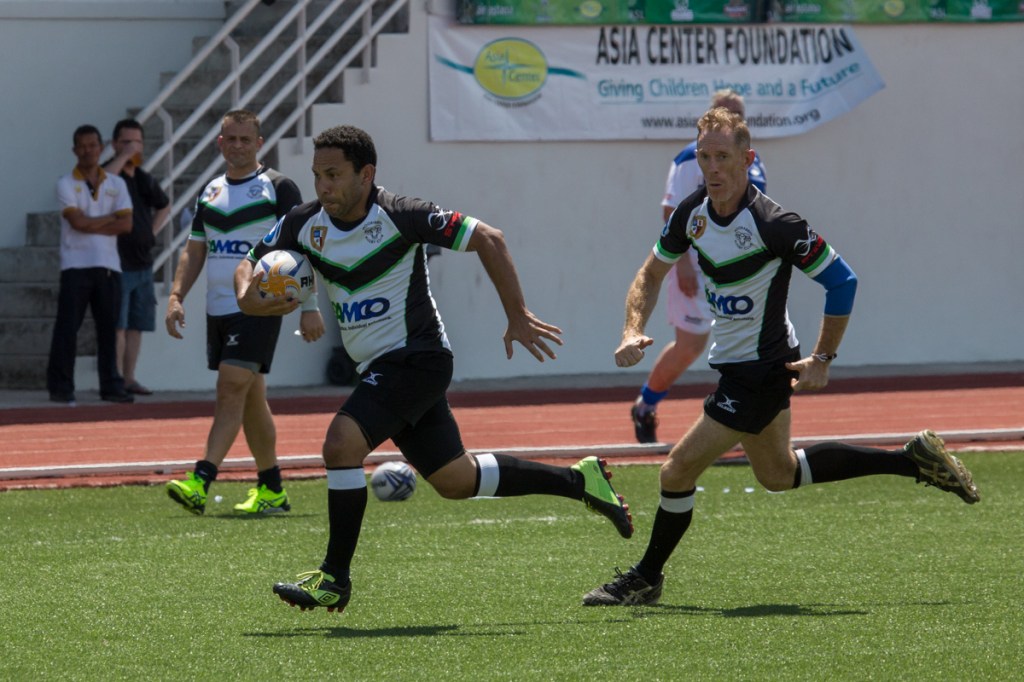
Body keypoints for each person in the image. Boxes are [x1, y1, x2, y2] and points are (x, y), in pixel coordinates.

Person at [583, 107, 979, 607]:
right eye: (704, 157)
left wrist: (823, 357)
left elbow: (843, 281)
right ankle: (912, 461)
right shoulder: (692, 214)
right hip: (739, 364)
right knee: (777, 473)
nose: (712, 168)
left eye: (722, 157)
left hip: (761, 369)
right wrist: (631, 328)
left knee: (675, 471)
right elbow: (649, 273)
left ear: (747, 159)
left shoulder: (774, 224)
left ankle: (645, 578)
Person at [235, 124, 633, 613]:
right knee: (455, 481)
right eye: (317, 175)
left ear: (366, 174)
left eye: (333, 175)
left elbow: (489, 238)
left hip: (417, 358)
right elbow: (249, 263)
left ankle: (334, 578)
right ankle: (580, 481)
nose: (323, 186)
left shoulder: (402, 214)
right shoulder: (303, 223)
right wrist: (249, 299)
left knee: (340, 444)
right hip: (380, 367)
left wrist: (516, 315)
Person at [164, 109, 322, 515]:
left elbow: (301, 248)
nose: (237, 145)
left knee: (231, 385)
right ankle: (272, 490)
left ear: (259, 143)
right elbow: (195, 249)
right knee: (250, 396)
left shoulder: (279, 187)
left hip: (259, 304)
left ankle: (200, 480)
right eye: (230, 139)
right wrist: (177, 295)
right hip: (217, 308)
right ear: (220, 143)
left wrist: (309, 306)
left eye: (245, 139)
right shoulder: (210, 191)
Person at [631, 89, 766, 443]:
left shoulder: (753, 161)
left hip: (740, 272)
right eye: (724, 112)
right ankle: (645, 405)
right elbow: (671, 212)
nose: (732, 119)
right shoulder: (691, 158)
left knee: (751, 344)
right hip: (698, 268)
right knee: (690, 347)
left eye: (738, 114)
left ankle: (748, 421)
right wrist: (682, 266)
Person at [47, 124, 135, 405]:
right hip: (75, 265)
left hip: (108, 266)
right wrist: (109, 218)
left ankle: (111, 386)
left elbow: (127, 225)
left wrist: (91, 222)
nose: (88, 151)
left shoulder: (116, 183)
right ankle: (61, 387)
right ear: (74, 150)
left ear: (101, 147)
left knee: (108, 330)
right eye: (82, 146)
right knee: (67, 328)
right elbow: (77, 223)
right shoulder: (65, 183)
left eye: (93, 145)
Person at [103, 119, 171, 396]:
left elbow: (164, 205)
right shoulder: (109, 174)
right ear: (115, 144)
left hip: (143, 264)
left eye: (138, 142)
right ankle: (115, 380)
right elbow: (102, 183)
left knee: (136, 326)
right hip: (117, 264)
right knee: (117, 326)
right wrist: (123, 157)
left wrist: (152, 231)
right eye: (127, 142)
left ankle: (129, 378)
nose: (133, 147)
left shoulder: (143, 178)